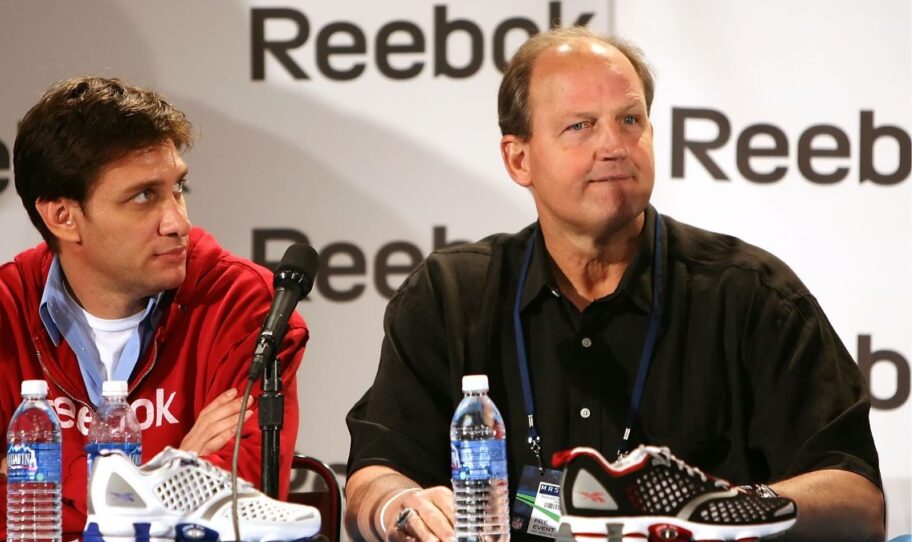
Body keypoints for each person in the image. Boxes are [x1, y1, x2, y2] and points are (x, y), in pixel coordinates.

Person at [345, 27, 885, 542]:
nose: (615, 146)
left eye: (630, 120)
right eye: (580, 126)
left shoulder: (749, 295)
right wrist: (403, 509)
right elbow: (375, 476)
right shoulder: (450, 295)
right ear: (519, 158)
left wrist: (721, 511)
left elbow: (858, 501)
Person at [0, 76, 308, 540]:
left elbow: (235, 502)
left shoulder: (245, 306)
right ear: (63, 217)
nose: (178, 221)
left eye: (178, 188)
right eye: (143, 196)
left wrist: (27, 488)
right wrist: (160, 482)